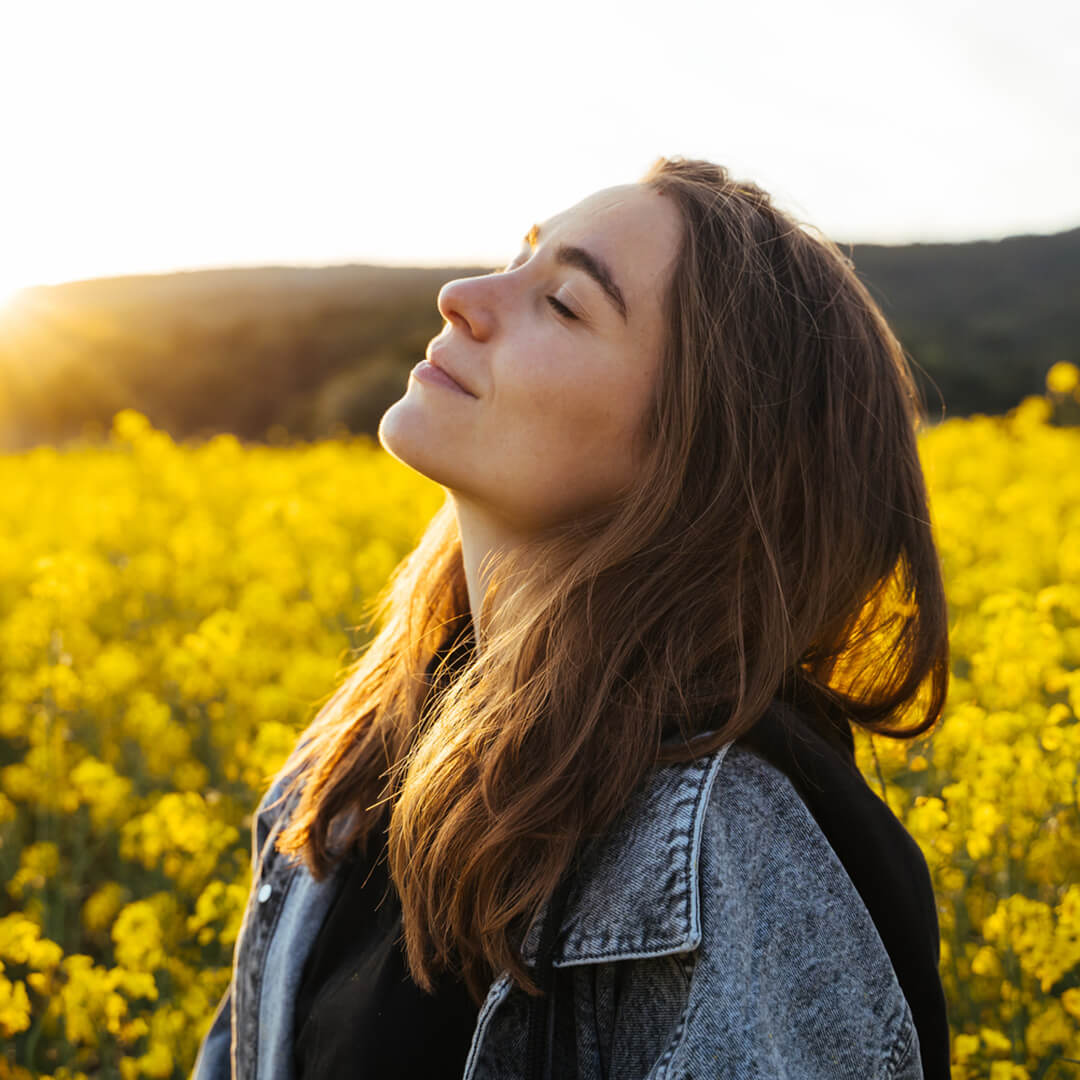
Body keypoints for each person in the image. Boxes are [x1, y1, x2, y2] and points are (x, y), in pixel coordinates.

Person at [192, 155, 952, 1080]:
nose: (461, 296)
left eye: (564, 304)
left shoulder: (733, 858)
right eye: (518, 257)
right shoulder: (358, 758)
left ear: (700, 454)